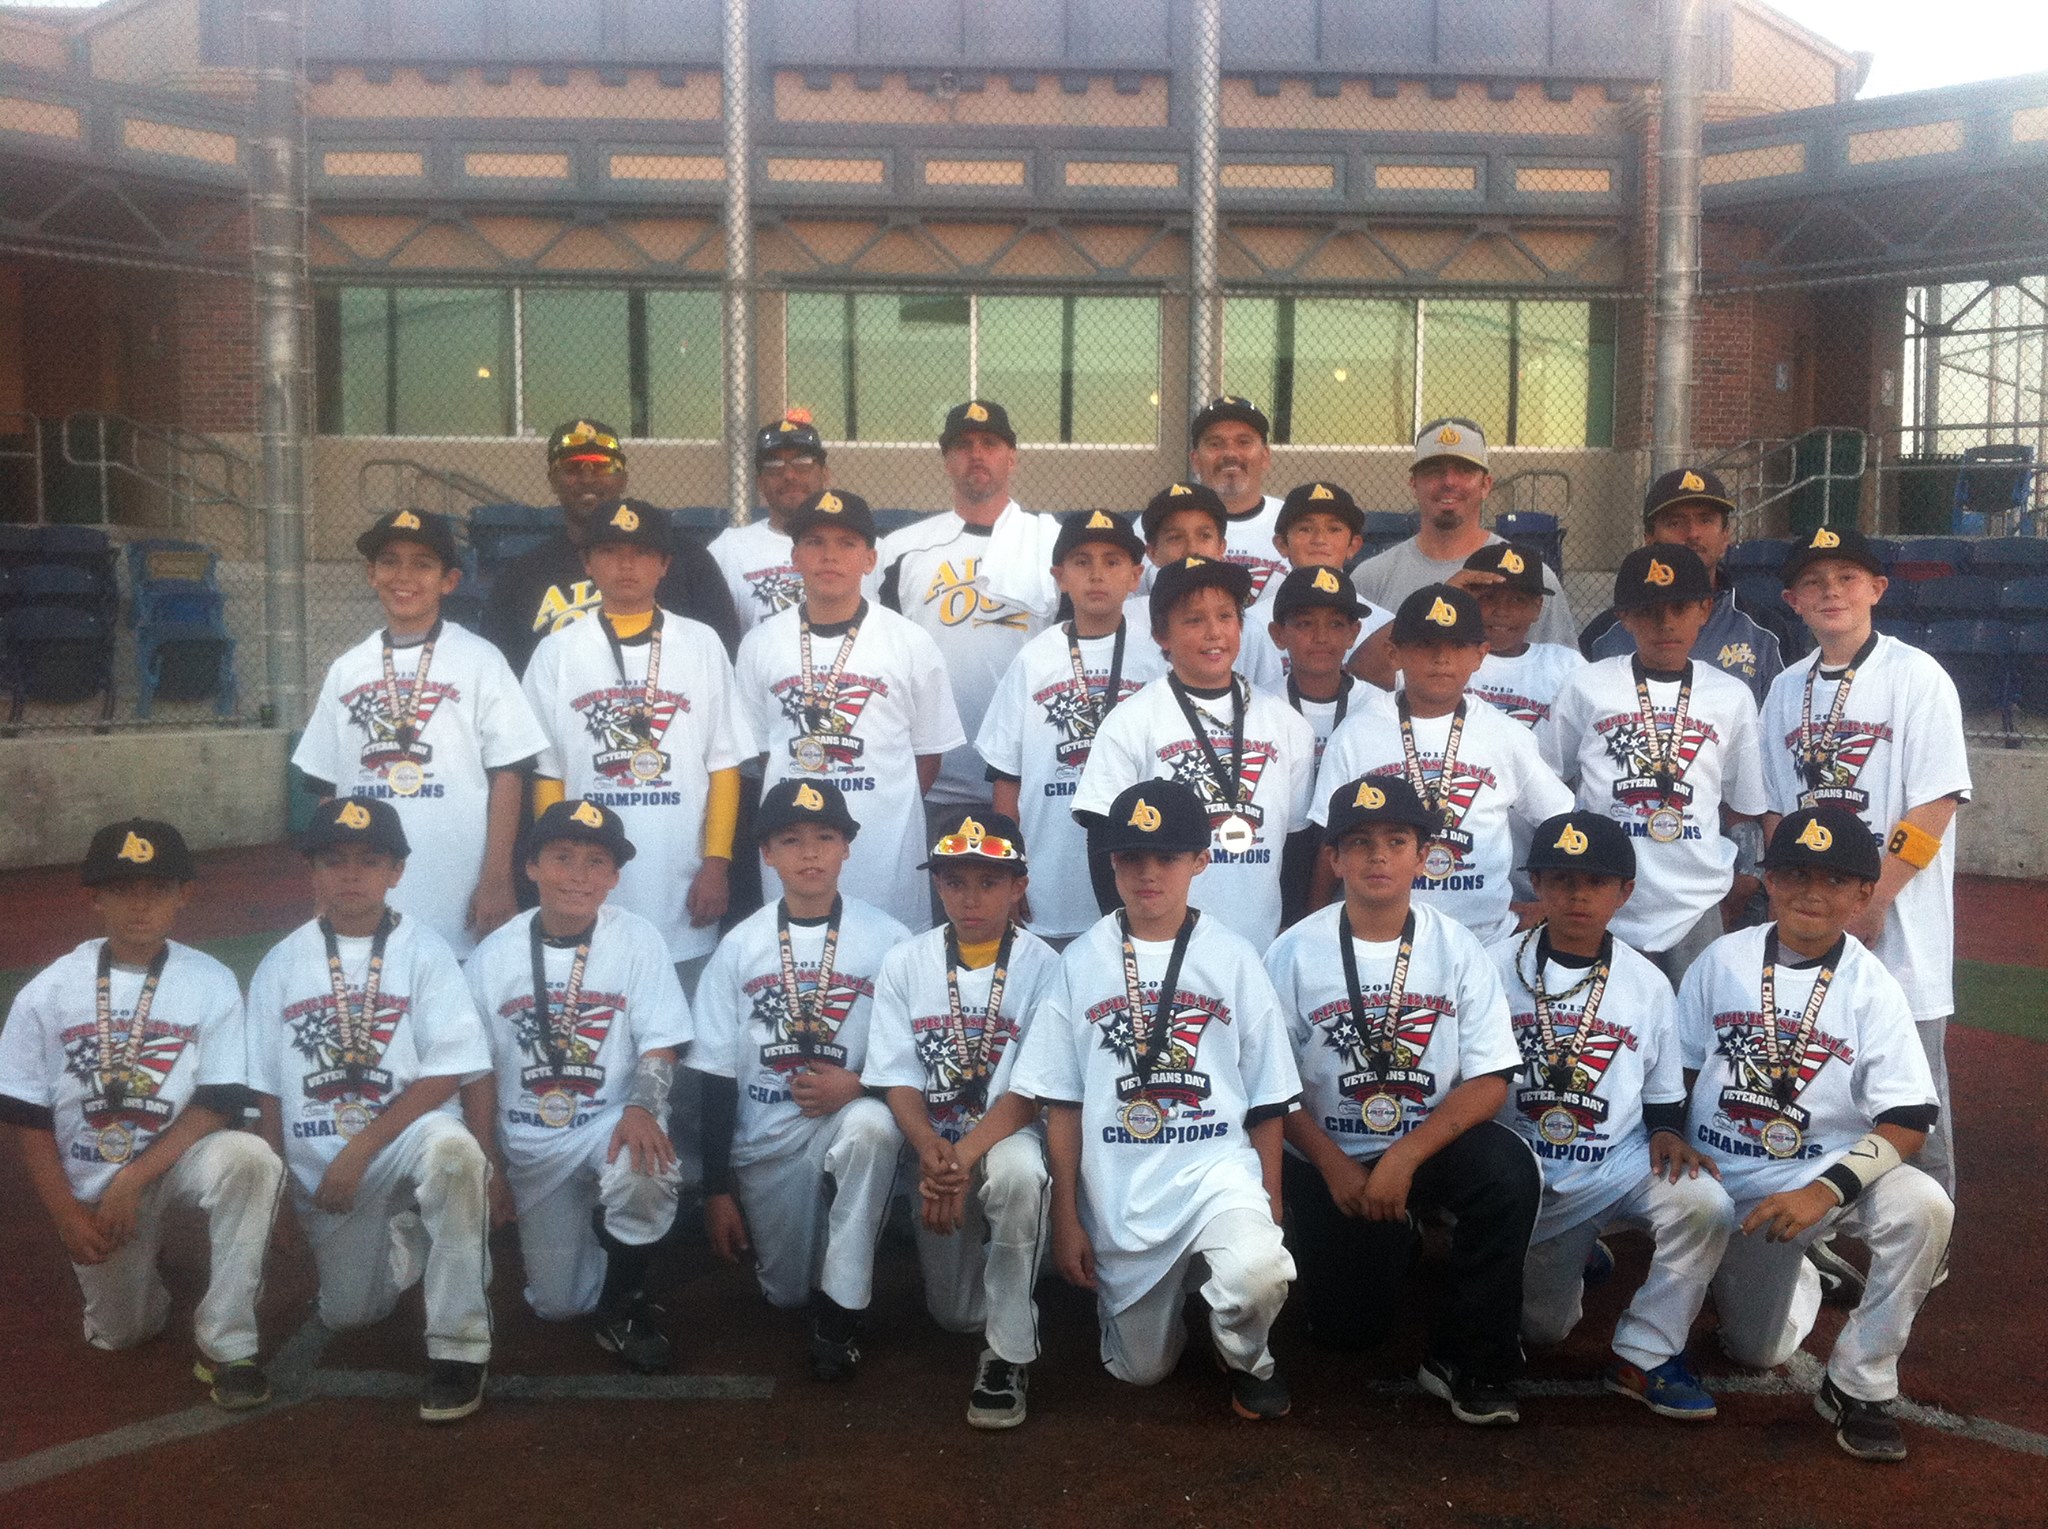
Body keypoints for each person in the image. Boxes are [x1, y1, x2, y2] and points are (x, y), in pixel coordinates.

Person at [1011, 779, 1300, 1420]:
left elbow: (1267, 1098)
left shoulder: (1234, 958)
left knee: (1259, 1271)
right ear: (1110, 863)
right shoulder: (1080, 961)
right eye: (1131, 857)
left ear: (1201, 860)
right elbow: (1062, 1103)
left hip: (1215, 1173)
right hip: (1122, 1191)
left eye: (1167, 857)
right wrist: (1068, 1217)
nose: (1148, 873)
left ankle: (1247, 1355)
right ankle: (1188, 1298)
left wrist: (1271, 1201)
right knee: (1141, 1372)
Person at [1679, 807, 1952, 1462]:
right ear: (1769, 880)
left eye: (1834, 879)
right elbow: (1679, 1074)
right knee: (1756, 1351)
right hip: (1728, 1186)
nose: (1812, 892)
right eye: (1796, 873)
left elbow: (1909, 1119)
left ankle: (1860, 1381)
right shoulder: (1721, 960)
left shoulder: (1872, 987)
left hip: (1822, 1176)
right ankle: (1802, 1270)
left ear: (1863, 895)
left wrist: (1822, 1192)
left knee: (1925, 1205)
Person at [1265, 775, 1537, 1426]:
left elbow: (1492, 1077)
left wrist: (1405, 1157)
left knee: (1509, 1170)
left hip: (1427, 1146)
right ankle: (1396, 1234)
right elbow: (1270, 1089)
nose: (1378, 856)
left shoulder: (1456, 947)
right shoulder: (1292, 951)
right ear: (1334, 858)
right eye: (1359, 843)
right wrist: (1334, 1165)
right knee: (1347, 1332)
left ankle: (1469, 1358)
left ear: (1423, 855)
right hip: (1328, 1156)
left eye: (1396, 840)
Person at [0, 820, 282, 1411]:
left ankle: (230, 1342)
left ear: (184, 895)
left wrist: (133, 1179)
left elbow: (217, 1102)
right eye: (123, 889)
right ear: (94, 898)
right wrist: (66, 1215)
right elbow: (27, 1117)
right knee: (123, 1333)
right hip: (93, 1180)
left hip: (177, 1158)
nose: (140, 904)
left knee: (251, 1160)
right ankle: (146, 1284)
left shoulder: (210, 980)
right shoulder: (47, 991)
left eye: (158, 889)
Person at [246, 798, 494, 1423]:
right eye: (335, 861)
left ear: (396, 871)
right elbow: (266, 1088)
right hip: (319, 1162)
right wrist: (278, 1190)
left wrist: (362, 1148)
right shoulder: (281, 963)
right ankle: (407, 1238)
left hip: (404, 1137)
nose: (351, 874)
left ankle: (459, 1348)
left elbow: (449, 1069)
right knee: (351, 1314)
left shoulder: (425, 950)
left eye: (370, 860)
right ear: (312, 872)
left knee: (455, 1155)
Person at [1491, 811, 1733, 1421]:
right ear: (1537, 885)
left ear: (1624, 892)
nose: (1578, 895)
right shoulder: (1491, 967)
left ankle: (1646, 1351)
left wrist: (1669, 1131)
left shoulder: (1647, 982)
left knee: (1704, 1202)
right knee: (1543, 1332)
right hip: (1525, 1175)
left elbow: (1662, 1093)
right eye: (1562, 880)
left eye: (1596, 882)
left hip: (1613, 1165)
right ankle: (1580, 1251)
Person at [1760, 525, 1969, 1200]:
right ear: (1793, 600)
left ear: (1877, 588)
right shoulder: (1784, 690)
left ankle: (1930, 1230)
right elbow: (1775, 811)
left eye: (1847, 578)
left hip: (1897, 925)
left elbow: (1936, 801)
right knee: (1818, 1083)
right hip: (1813, 923)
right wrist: (1795, 906)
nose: (1832, 592)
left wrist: (1874, 900)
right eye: (1814, 582)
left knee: (1914, 1094)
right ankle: (1825, 1219)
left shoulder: (1916, 676)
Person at [460, 799, 691, 1374]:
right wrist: (489, 1161)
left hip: (610, 1119)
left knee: (644, 1165)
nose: (578, 875)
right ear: (531, 866)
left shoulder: (637, 939)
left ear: (614, 877)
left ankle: (625, 1304)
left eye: (596, 862)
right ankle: (599, 1235)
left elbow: (661, 1040)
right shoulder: (492, 956)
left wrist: (643, 1107)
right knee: (559, 1306)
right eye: (562, 857)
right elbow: (477, 1069)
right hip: (530, 1137)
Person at [689, 779, 909, 1381]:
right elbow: (715, 1073)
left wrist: (858, 1085)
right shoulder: (740, 946)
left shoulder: (890, 940)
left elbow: (916, 1056)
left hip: (845, 1117)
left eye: (825, 837)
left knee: (873, 1127)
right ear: (766, 854)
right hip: (767, 1139)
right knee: (785, 1294)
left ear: (847, 847)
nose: (809, 852)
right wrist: (716, 1190)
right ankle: (827, 1265)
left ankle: (841, 1315)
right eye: (790, 840)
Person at [865, 809, 1061, 1428]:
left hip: (1004, 1139)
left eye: (988, 881)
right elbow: (897, 1076)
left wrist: (960, 1160)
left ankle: (1008, 1352)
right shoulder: (906, 961)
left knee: (1019, 1174)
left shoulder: (1047, 965)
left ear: (1019, 885)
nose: (970, 898)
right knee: (954, 1316)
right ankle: (1017, 1272)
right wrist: (929, 1147)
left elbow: (1032, 1091)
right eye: (954, 881)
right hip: (937, 1150)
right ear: (937, 884)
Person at [294, 507, 548, 959]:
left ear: (449, 581)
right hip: (366, 893)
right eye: (389, 562)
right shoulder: (347, 669)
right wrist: (322, 889)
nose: (403, 576)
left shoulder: (480, 660)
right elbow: (327, 790)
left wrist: (496, 878)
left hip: (457, 893)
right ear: (371, 574)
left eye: (423, 564)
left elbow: (508, 774)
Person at [521, 499, 755, 986]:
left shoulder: (702, 643)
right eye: (609, 552)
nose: (626, 565)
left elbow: (723, 764)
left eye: (642, 553)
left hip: (680, 879)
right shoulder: (557, 651)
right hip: (587, 879)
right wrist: (555, 863)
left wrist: (717, 863)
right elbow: (548, 772)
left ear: (664, 564)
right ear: (587, 563)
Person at [735, 489, 965, 933]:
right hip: (794, 853)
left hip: (885, 852)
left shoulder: (909, 642)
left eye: (847, 543)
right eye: (815, 542)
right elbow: (763, 753)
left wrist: (875, 797)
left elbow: (928, 756)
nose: (829, 556)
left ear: (870, 559)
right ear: (794, 557)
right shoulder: (761, 643)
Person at [1541, 545, 1767, 984]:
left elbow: (1744, 804)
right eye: (1648, 612)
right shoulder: (1587, 684)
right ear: (1624, 617)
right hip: (1605, 895)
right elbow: (1547, 781)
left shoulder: (1730, 695)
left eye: (1680, 609)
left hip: (1695, 901)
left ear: (1704, 610)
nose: (1665, 624)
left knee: (1697, 1020)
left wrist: (1745, 878)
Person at [1074, 555, 1317, 949]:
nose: (1214, 632)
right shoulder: (1131, 721)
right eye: (1194, 620)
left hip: (1261, 943)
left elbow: (1298, 845)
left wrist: (1288, 929)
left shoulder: (1287, 724)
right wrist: (1127, 934)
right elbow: (1102, 840)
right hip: (1162, 942)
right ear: (1161, 635)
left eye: (1225, 616)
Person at [1310, 585, 1573, 942]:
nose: (1441, 658)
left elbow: (1559, 819)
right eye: (1425, 645)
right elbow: (1327, 839)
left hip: (1484, 937)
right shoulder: (1357, 732)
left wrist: (1554, 902)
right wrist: (1314, 922)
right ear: (1394, 653)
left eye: (1457, 646)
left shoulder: (1506, 735)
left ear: (1480, 655)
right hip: (1381, 936)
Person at [978, 510, 1165, 945]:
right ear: (1059, 577)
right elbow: (1006, 774)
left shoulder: (1156, 657)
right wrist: (1008, 866)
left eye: (1112, 562)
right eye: (1082, 562)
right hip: (1050, 879)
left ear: (1136, 575)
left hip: (1139, 872)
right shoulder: (1034, 660)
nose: (1097, 574)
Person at [878, 399, 1054, 819]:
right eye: (963, 445)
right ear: (946, 461)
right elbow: (883, 661)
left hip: (1027, 780)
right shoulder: (902, 549)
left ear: (1011, 458)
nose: (977, 454)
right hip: (932, 782)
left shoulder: (1050, 543)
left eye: (990, 444)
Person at [481, 418, 739, 675]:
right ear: (552, 479)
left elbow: (722, 657)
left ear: (623, 478)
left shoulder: (684, 559)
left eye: (602, 466)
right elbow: (503, 672)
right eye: (572, 468)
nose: (587, 478)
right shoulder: (522, 576)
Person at [1349, 418, 1577, 660]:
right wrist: (1440, 600)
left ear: (1486, 485)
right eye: (1434, 471)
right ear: (1414, 484)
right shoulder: (1371, 578)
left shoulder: (1531, 578)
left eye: (1464, 470)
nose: (1449, 482)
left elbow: (1563, 669)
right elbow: (1353, 671)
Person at [1579, 468, 1798, 702]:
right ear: (1649, 538)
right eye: (1675, 522)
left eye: (1706, 520)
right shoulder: (1603, 636)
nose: (1693, 533)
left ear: (1726, 536)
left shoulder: (1766, 634)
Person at [1263, 565, 1368, 928]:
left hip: (1353, 860)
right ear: (1278, 634)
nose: (1321, 637)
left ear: (1354, 633)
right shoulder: (1259, 707)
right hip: (1282, 858)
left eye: (1336, 624)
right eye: (1305, 624)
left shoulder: (1378, 708)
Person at [1239, 481, 1392, 694]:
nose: (1319, 539)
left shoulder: (1381, 624)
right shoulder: (1251, 625)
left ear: (1354, 545)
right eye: (1305, 529)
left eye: (1334, 529)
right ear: (1282, 544)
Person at [709, 411, 832, 633]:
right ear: (760, 482)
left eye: (802, 462)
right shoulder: (729, 549)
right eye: (774, 465)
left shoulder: (861, 546)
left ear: (824, 473)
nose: (789, 475)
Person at [1462, 541, 1586, 732]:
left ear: (1537, 607)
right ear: (1465, 601)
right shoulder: (1445, 660)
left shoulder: (1566, 665)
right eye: (1488, 597)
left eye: (1517, 599)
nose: (1502, 611)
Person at [1188, 395, 1288, 602]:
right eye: (1215, 444)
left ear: (1265, 456)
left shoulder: (1294, 522)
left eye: (1243, 442)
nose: (1230, 453)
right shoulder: (1157, 526)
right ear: (1196, 460)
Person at [1120, 482, 1232, 640]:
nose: (1192, 550)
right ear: (1152, 553)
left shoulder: (1240, 623)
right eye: (1175, 538)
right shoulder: (1126, 620)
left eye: (1204, 536)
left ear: (1221, 547)